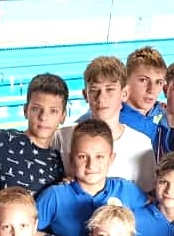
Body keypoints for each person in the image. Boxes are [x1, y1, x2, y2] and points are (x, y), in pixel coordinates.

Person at [53, 56, 156, 192]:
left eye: (110, 89)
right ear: (85, 94)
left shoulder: (140, 144)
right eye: (94, 90)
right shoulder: (62, 137)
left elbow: (147, 197)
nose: (101, 98)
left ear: (124, 93)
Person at [36, 118, 148, 236]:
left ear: (111, 159)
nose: (91, 165)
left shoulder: (126, 189)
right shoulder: (54, 196)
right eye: (82, 157)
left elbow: (152, 213)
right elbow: (26, 231)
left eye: (99, 157)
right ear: (71, 159)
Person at [0, 73, 68, 195]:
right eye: (36, 108)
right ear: (25, 111)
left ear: (63, 117)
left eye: (53, 111)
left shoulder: (57, 164)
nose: (43, 117)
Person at [119, 46, 168, 139]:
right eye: (143, 80)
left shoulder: (165, 113)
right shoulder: (113, 118)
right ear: (125, 81)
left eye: (158, 82)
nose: (152, 90)